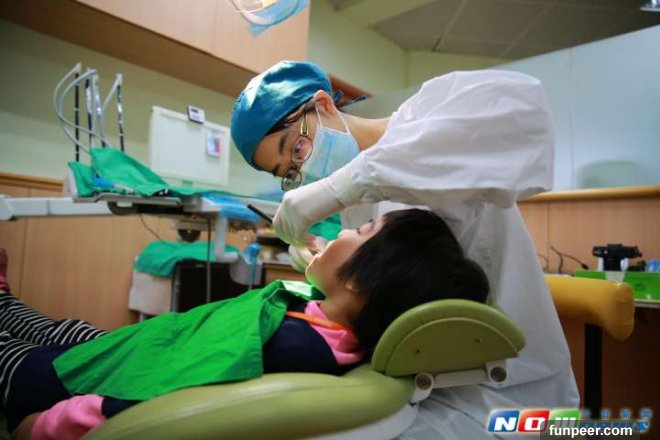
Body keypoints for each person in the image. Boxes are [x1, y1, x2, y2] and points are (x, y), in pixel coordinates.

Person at [230, 61, 579, 438]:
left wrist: (342, 187)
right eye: (289, 173)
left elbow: (522, 112)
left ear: (324, 105)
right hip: (427, 384)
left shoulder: (426, 117)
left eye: (297, 148)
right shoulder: (355, 199)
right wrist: (329, 263)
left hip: (507, 391)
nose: (302, 169)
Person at [0, 209, 489, 439]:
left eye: (360, 231)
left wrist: (45, 426)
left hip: (70, 388)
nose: (342, 230)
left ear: (363, 281)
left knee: (25, 352)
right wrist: (319, 269)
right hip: (140, 348)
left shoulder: (290, 347)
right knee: (63, 327)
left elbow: (159, 394)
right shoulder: (333, 329)